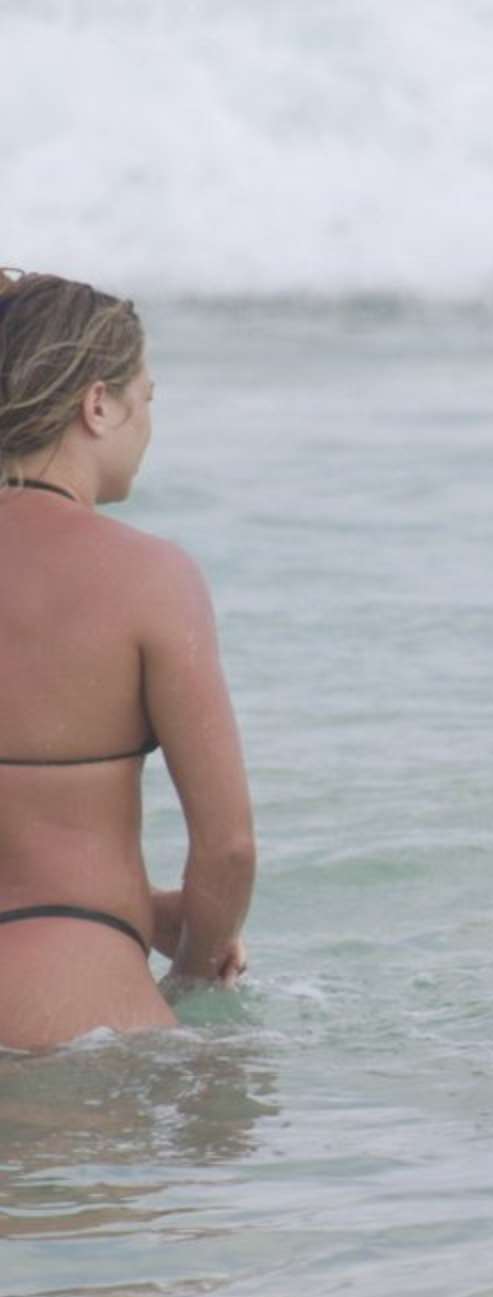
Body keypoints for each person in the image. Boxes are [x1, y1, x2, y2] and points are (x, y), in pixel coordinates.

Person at [0, 270, 255, 1051]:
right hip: (73, 1009)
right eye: (146, 400)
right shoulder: (150, 577)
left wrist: (143, 905)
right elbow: (229, 848)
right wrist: (191, 960)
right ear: (98, 404)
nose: (147, 426)